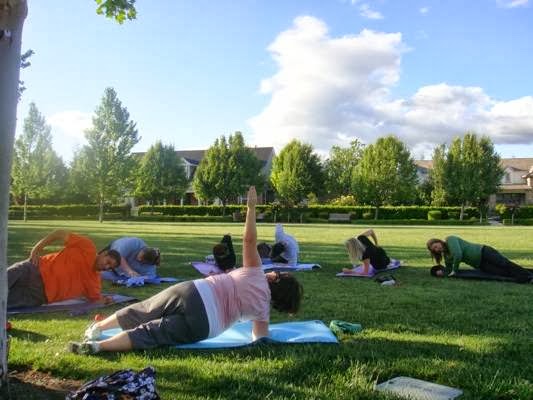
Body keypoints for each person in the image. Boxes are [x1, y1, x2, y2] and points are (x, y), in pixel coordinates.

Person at [69, 186, 303, 354]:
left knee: (144, 309)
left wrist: (251, 208)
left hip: (194, 292)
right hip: (207, 325)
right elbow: (259, 338)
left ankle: (98, 328)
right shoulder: (263, 313)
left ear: (275, 277)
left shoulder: (256, 272)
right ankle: (98, 347)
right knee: (152, 334)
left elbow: (249, 240)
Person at [8, 230, 121, 308]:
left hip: (38, 294)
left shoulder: (94, 282)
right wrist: (36, 249)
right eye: (108, 262)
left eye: (110, 268)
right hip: (34, 269)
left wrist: (107, 300)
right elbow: (59, 233)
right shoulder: (88, 247)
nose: (106, 267)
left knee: (4, 302)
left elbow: (97, 300)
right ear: (104, 254)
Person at [427, 236, 533, 283]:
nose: (437, 249)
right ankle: (525, 276)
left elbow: (458, 254)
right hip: (480, 264)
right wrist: (441, 272)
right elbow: (450, 270)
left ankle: (529, 277)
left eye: (436, 246)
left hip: (484, 252)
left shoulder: (450, 239)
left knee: (504, 264)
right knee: (501, 272)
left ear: (439, 241)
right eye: (434, 249)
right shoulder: (447, 257)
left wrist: (454, 270)